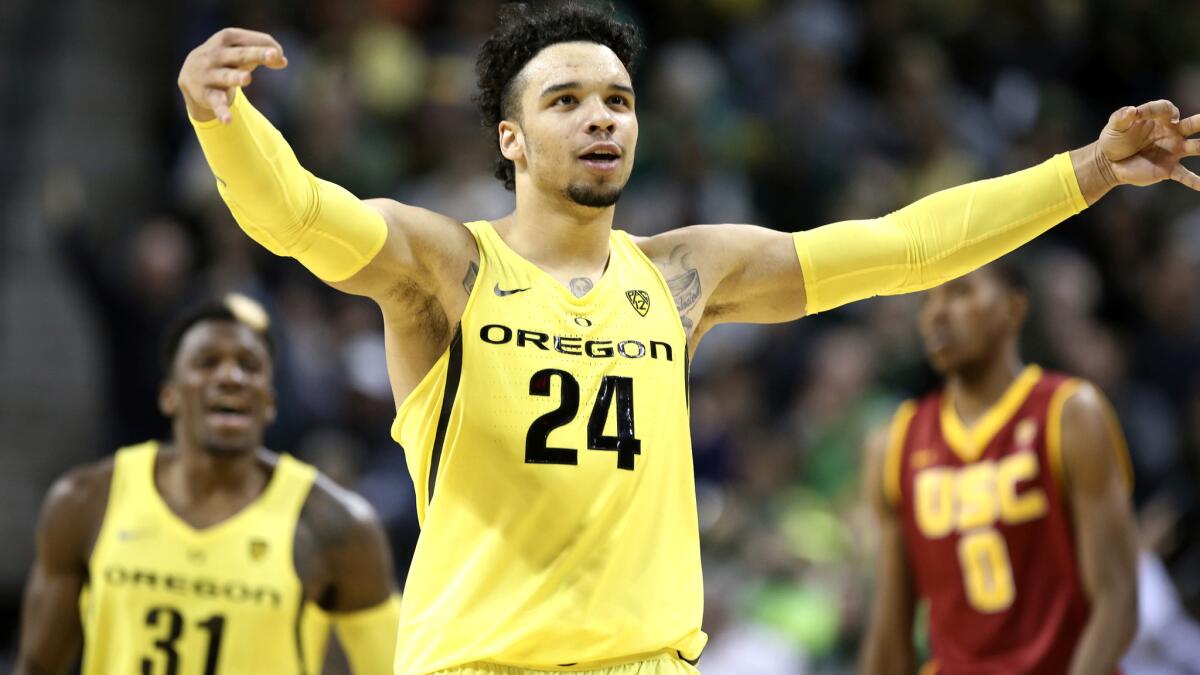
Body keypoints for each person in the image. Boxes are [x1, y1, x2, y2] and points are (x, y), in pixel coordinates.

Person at [175, 3, 1199, 672]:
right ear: (512, 139)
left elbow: (903, 248)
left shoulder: (682, 274)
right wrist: (227, 125)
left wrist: (1089, 169)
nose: (602, 119)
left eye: (618, 99)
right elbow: (303, 216)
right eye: (566, 101)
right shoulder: (448, 265)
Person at [14, 294, 401, 675]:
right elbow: (36, 665)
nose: (230, 377)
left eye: (249, 366)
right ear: (169, 396)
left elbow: (396, 667)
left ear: (269, 402)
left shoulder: (334, 524)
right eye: (207, 362)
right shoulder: (86, 500)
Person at [859, 263, 1138, 675]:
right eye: (926, 300)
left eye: (960, 293)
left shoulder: (1070, 412)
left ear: (1014, 308)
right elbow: (890, 632)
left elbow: (1117, 601)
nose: (936, 314)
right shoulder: (894, 442)